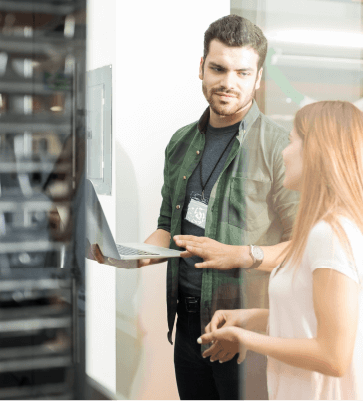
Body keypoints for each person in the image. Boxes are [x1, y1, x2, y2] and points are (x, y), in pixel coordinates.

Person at [90, 15, 300, 400]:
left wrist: (239, 255)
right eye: (218, 68)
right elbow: (167, 226)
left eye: (242, 72)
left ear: (258, 77)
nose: (228, 82)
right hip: (187, 325)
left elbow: (301, 248)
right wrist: (130, 255)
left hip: (245, 327)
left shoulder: (280, 148)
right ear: (201, 67)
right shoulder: (181, 142)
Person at [196, 101, 363, 400]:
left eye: (292, 141)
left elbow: (332, 356)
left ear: (317, 152)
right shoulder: (327, 230)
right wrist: (252, 319)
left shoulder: (332, 235)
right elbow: (310, 321)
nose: (284, 153)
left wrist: (244, 337)